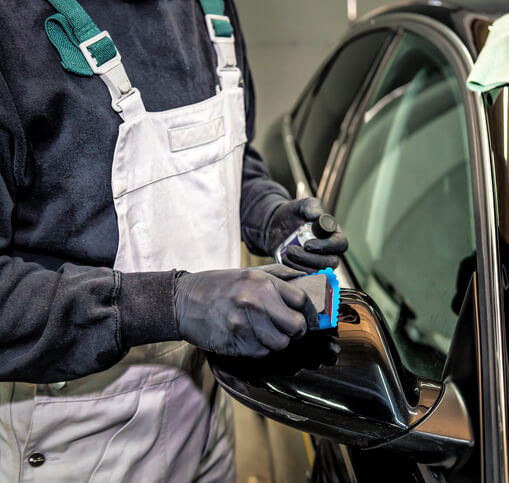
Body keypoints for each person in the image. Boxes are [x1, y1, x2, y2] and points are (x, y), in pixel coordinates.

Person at [0, 0, 347, 481]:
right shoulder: (13, 32)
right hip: (80, 441)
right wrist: (172, 305)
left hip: (205, 414)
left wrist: (268, 214)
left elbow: (232, 158)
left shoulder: (209, 9)